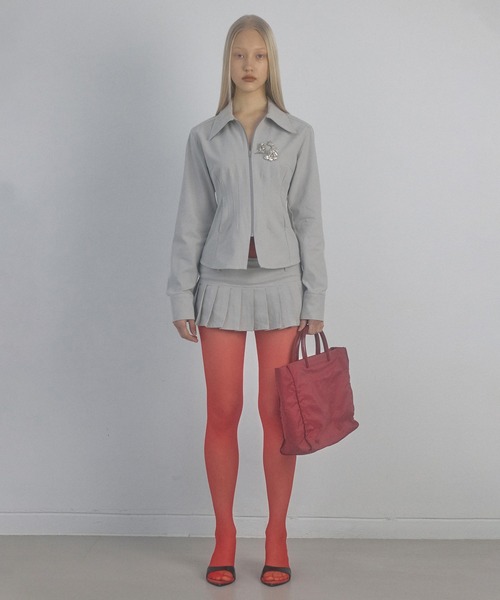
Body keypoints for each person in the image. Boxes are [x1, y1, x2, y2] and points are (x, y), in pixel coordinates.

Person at [167, 14, 327, 587]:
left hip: (282, 289)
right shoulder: (204, 138)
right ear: (228, 63)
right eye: (239, 55)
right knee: (223, 411)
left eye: (259, 55)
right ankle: (225, 535)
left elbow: (308, 220)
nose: (249, 65)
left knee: (276, 414)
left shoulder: (297, 135)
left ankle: (276, 534)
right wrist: (180, 293)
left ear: (271, 62)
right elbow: (192, 220)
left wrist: (316, 295)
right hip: (219, 287)